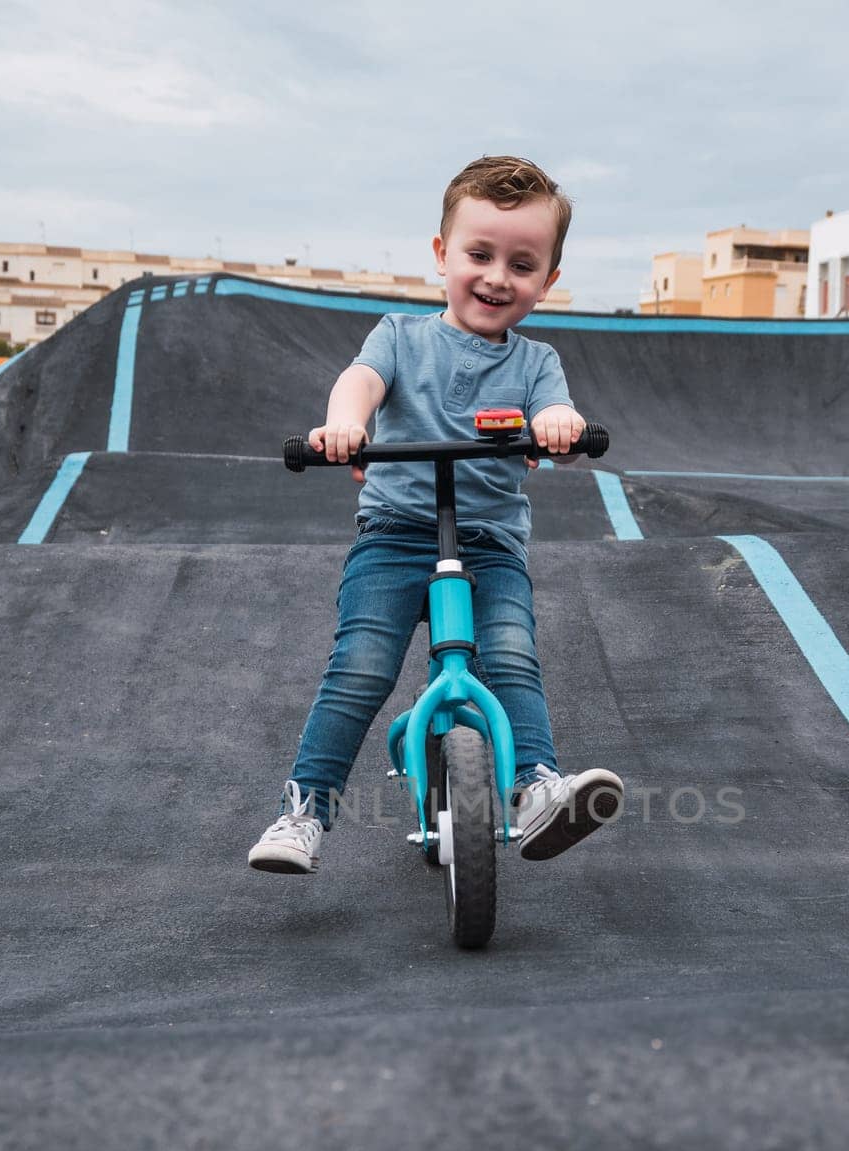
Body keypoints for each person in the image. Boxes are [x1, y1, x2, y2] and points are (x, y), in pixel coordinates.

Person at [248, 154, 624, 875]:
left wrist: (558, 426)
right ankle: (304, 811)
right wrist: (344, 426)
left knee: (511, 657)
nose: (495, 277)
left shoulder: (537, 362)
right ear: (440, 255)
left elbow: (557, 411)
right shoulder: (398, 335)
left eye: (521, 264)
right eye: (478, 255)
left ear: (547, 282)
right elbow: (359, 381)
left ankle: (534, 789)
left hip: (487, 542)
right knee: (359, 666)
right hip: (394, 534)